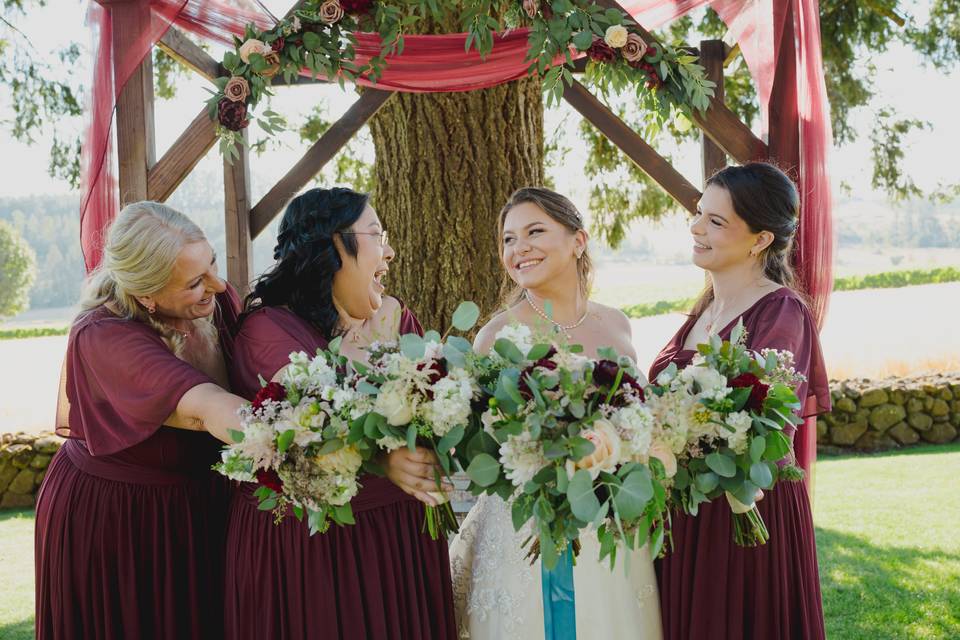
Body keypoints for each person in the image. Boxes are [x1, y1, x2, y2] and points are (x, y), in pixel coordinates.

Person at [223, 187, 457, 640]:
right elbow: (309, 432)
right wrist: (385, 460)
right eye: (376, 234)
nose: (389, 250)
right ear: (333, 245)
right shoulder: (267, 331)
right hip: (312, 546)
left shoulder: (397, 321)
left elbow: (432, 413)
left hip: (400, 537)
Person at [449, 187, 663, 639]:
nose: (518, 248)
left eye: (535, 231)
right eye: (508, 239)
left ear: (578, 241)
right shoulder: (497, 336)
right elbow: (480, 449)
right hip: (526, 526)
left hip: (609, 519)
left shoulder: (617, 324)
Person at [35, 201, 247, 640]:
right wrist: (301, 435)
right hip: (122, 521)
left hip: (197, 506)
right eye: (195, 282)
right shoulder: (104, 336)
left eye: (212, 263)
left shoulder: (217, 300)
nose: (219, 283)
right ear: (147, 295)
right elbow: (205, 406)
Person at [648, 162, 830, 639]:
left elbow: (763, 425)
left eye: (716, 221)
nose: (696, 227)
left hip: (744, 507)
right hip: (686, 506)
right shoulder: (703, 309)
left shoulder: (781, 311)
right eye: (699, 213)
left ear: (760, 240)